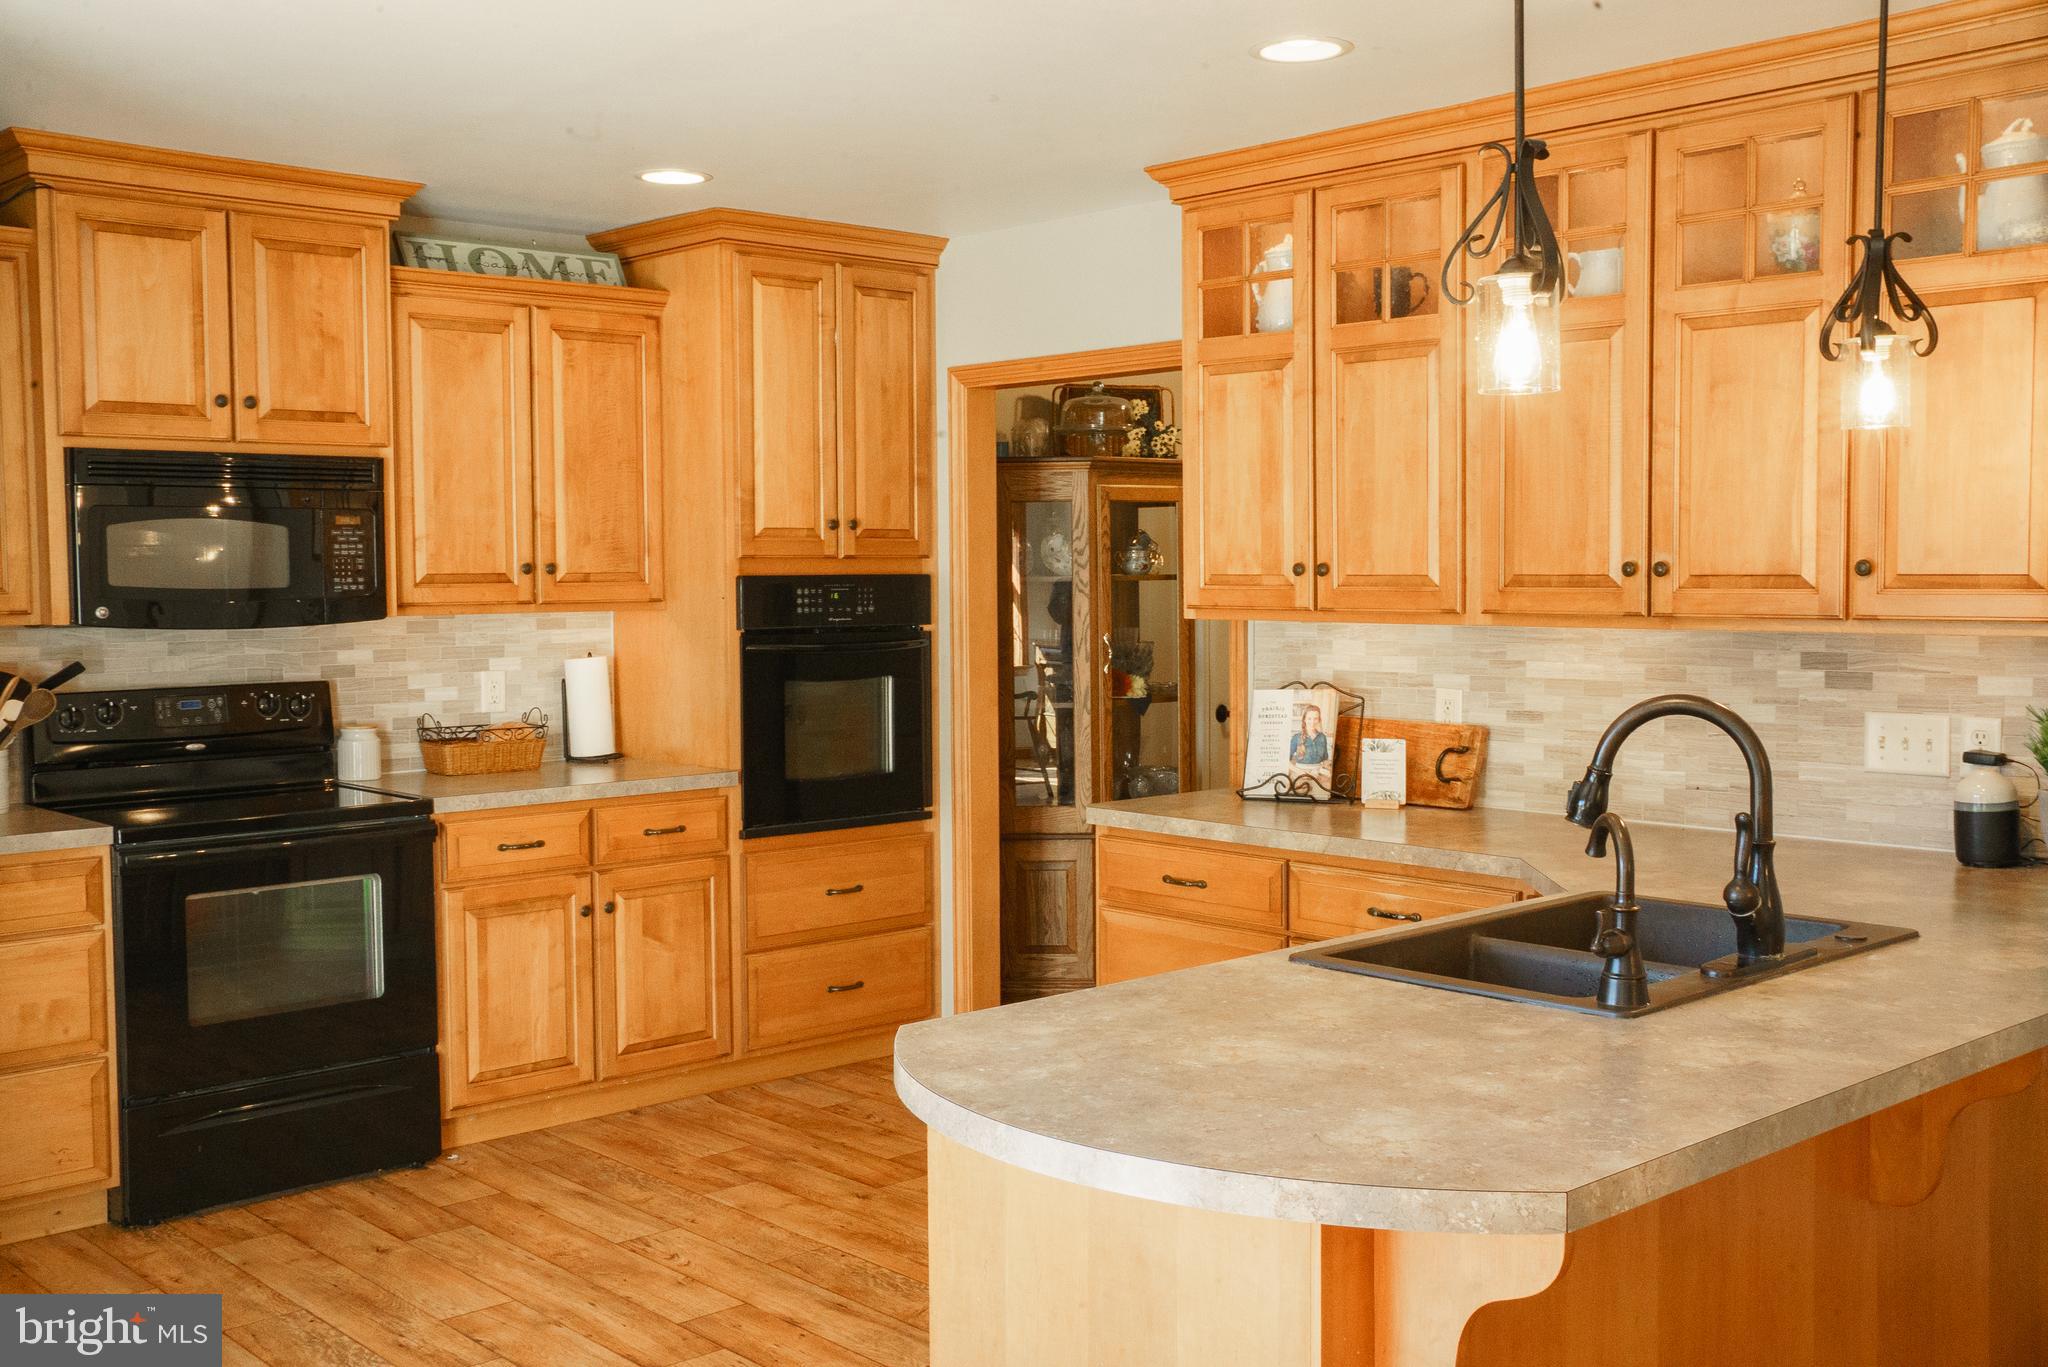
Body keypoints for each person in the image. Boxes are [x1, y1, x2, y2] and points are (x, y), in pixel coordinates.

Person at [1288, 704, 1329, 769]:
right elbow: (1286, 761)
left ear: (1319, 720)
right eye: (1309, 718)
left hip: (1318, 773)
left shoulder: (1322, 737)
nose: (1312, 722)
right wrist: (1300, 772)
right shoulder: (1296, 737)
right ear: (1304, 719)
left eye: (1315, 718)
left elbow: (1325, 759)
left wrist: (1326, 768)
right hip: (1300, 773)